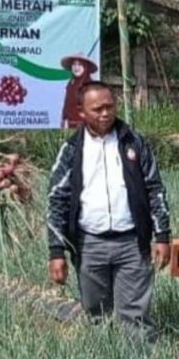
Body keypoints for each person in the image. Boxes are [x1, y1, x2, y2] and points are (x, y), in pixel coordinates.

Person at [47, 81, 171, 342]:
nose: (105, 113)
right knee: (96, 316)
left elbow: (154, 188)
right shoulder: (71, 151)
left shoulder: (134, 143)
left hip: (132, 243)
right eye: (97, 109)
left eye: (109, 106)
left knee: (135, 317)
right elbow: (57, 199)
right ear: (81, 112)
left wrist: (162, 236)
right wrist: (56, 251)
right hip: (90, 244)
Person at [60, 53, 98, 128]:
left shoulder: (90, 85)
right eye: (74, 64)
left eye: (80, 64)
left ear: (85, 67)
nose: (76, 67)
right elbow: (67, 103)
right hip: (70, 125)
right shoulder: (71, 84)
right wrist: (64, 118)